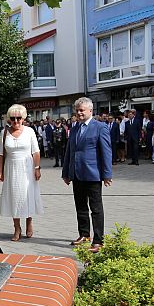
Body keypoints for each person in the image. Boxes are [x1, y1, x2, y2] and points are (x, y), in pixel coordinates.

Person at [62, 97, 112, 252]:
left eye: (82, 110)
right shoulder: (75, 127)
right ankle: (84, 234)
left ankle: (98, 240)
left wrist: (107, 174)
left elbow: (106, 151)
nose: (79, 113)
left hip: (93, 174)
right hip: (77, 174)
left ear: (90, 110)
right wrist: (66, 172)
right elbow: (69, 151)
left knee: (95, 208)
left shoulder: (100, 127)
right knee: (80, 207)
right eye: (77, 110)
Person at [0, 104, 43, 241]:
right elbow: (0, 154)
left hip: (27, 167)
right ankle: (17, 228)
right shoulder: (4, 132)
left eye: (19, 118)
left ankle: (29, 221)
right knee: (14, 196)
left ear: (23, 118)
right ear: (9, 119)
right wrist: (0, 171)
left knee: (27, 194)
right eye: (13, 118)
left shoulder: (29, 131)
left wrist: (37, 168)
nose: (16, 121)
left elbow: (36, 151)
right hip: (11, 167)